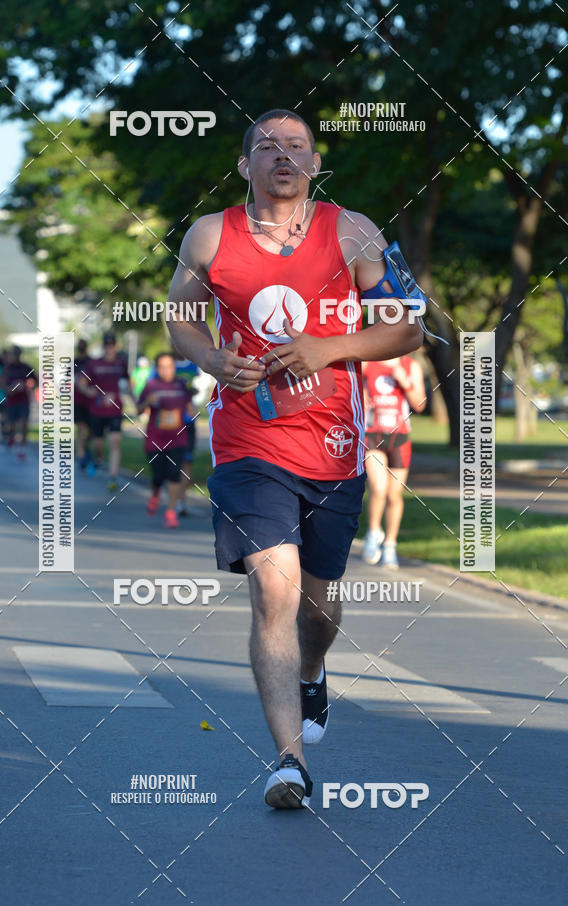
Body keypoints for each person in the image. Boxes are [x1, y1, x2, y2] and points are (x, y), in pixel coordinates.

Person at [166, 108, 422, 809]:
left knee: (317, 603)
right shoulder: (211, 234)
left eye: (297, 146)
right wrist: (213, 358)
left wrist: (329, 348)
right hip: (249, 443)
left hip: (335, 446)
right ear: (246, 166)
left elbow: (408, 326)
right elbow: (178, 314)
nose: (284, 155)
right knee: (272, 588)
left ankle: (313, 672)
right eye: (267, 147)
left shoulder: (354, 231)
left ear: (315, 163)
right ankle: (288, 761)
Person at [361, 356, 426, 568]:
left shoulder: (410, 366)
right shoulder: (368, 363)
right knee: (378, 488)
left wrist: (404, 381)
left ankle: (390, 544)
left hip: (399, 437)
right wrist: (361, 396)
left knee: (394, 494)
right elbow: (351, 391)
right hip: (373, 434)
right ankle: (373, 532)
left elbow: (421, 404)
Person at [137, 352, 197, 528]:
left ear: (174, 368)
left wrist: (191, 410)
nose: (166, 370)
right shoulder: (151, 385)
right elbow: (139, 409)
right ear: (157, 369)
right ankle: (155, 493)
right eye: (162, 367)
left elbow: (189, 406)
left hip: (178, 438)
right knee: (158, 475)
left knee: (174, 474)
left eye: (169, 366)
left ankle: (171, 512)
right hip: (155, 439)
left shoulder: (180, 385)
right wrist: (147, 401)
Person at [79, 331, 131, 492]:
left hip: (115, 410)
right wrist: (88, 392)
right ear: (103, 346)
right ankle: (98, 458)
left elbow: (129, 383)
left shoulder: (121, 363)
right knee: (98, 444)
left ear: (116, 346)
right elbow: (81, 383)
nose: (110, 348)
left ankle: (112, 478)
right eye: (107, 345)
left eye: (112, 345)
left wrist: (132, 395)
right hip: (97, 410)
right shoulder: (94, 364)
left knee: (115, 442)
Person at [174, 356, 200, 515]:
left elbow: (193, 387)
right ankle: (172, 497)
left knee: (187, 462)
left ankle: (182, 502)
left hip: (188, 420)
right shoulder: (166, 364)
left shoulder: (193, 365)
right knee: (173, 463)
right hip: (170, 423)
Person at [3, 345, 37, 459]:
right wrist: (9, 389)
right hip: (11, 400)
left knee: (24, 422)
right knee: (12, 423)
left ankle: (22, 447)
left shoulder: (26, 367)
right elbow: (2, 383)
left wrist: (27, 386)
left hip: (24, 400)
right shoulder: (8, 368)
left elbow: (35, 381)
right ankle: (11, 438)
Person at [74, 338, 92, 469]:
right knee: (80, 428)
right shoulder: (74, 363)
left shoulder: (91, 362)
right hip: (77, 400)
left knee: (91, 429)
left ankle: (84, 449)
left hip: (90, 401)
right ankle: (80, 456)